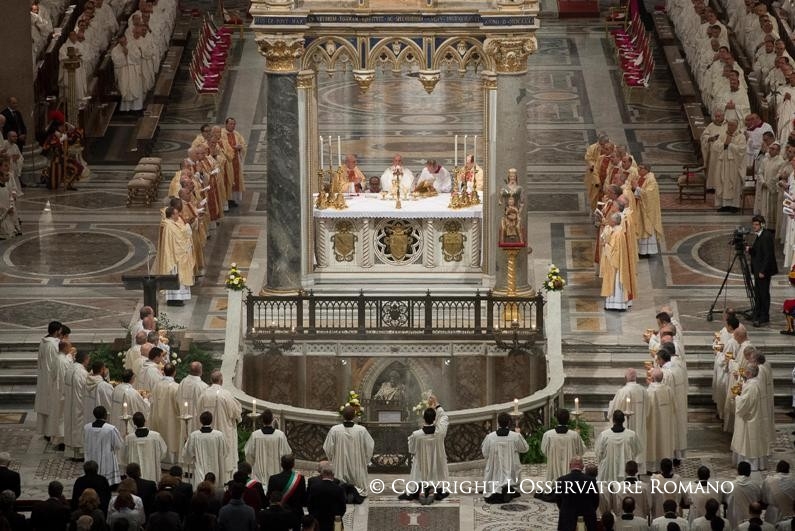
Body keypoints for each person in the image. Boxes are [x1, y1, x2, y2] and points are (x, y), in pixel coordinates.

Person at [402, 395, 450, 501]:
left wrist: (416, 453)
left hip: (421, 463)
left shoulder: (416, 435)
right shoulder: (440, 433)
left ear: (423, 419)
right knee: (434, 472)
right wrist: (437, 404)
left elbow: (412, 450)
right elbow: (444, 417)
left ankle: (422, 490)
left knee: (419, 470)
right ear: (435, 418)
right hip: (435, 462)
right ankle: (432, 490)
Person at [197, 370, 241, 480]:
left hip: (207, 433)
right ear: (221, 381)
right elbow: (235, 412)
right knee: (225, 456)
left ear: (211, 380)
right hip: (224, 431)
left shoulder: (204, 394)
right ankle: (225, 479)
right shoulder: (226, 395)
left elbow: (199, 412)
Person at [322, 405, 374, 496]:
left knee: (339, 484)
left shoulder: (335, 430)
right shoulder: (361, 430)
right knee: (358, 485)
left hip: (340, 465)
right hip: (357, 467)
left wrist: (332, 459)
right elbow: (370, 446)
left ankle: (341, 488)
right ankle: (357, 490)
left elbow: (327, 447)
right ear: (354, 416)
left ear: (342, 416)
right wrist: (365, 460)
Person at [608, 369, 650, 474]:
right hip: (640, 425)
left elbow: (616, 410)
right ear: (636, 377)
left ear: (625, 378)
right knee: (638, 444)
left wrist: (610, 408)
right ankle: (639, 471)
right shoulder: (643, 390)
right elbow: (648, 409)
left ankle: (626, 470)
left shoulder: (623, 391)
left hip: (626, 425)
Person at [482, 412, 529, 503]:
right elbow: (525, 449)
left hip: (495, 469)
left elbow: (485, 453)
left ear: (498, 423)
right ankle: (509, 488)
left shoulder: (490, 437)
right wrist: (519, 434)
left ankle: (497, 489)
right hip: (511, 469)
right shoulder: (515, 436)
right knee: (514, 466)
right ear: (509, 423)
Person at [154, 205, 195, 306]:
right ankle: (174, 299)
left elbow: (180, 234)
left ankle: (177, 298)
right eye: (177, 213)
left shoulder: (171, 223)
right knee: (176, 276)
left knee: (178, 276)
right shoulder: (169, 226)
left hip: (175, 254)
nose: (179, 215)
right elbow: (179, 239)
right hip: (174, 256)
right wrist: (187, 225)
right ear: (172, 215)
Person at [732, 364, 770, 470]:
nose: (744, 372)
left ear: (750, 373)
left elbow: (746, 402)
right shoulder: (754, 382)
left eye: (746, 371)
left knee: (748, 442)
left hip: (749, 418)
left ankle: (750, 464)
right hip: (754, 415)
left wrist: (737, 397)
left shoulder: (752, 386)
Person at [244, 408, 291, 487]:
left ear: (262, 420)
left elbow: (249, 453)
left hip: (259, 474)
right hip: (276, 473)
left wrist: (252, 463)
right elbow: (287, 454)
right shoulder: (280, 435)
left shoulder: (255, 435)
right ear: (272, 420)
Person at [182, 411, 229, 488]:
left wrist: (186, 445)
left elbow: (188, 453)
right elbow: (225, 452)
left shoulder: (194, 435)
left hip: (200, 468)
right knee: (214, 488)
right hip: (215, 467)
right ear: (211, 420)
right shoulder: (219, 435)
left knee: (201, 488)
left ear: (200, 421)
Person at [710, 117, 747, 212]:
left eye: (732, 125)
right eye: (729, 125)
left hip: (734, 164)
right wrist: (723, 145)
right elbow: (715, 146)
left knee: (733, 183)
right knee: (722, 182)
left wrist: (729, 145)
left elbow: (742, 150)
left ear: (736, 126)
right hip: (723, 163)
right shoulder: (723, 134)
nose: (730, 127)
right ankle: (724, 205)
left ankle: (734, 206)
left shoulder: (740, 136)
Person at [595, 410, 641, 483]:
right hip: (626, 470)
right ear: (624, 420)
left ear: (613, 420)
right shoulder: (631, 435)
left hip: (608, 470)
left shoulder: (604, 435)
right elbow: (636, 451)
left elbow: (598, 453)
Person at [748, 215, 778, 326]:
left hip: (762, 271)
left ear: (762, 225)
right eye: (753, 225)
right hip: (758, 270)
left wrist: (762, 271)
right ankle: (758, 313)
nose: (754, 227)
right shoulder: (760, 235)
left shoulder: (765, 236)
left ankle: (764, 316)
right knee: (758, 293)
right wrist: (750, 250)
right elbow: (759, 251)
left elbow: (768, 255)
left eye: (756, 225)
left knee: (764, 293)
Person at [540, 409, 585, 482]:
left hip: (553, 468)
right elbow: (581, 451)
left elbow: (544, 450)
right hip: (569, 473)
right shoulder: (574, 435)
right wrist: (579, 436)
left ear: (556, 419)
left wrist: (553, 456)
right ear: (568, 419)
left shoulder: (548, 435)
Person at [120, 412, 167, 482]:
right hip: (152, 471)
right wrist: (155, 459)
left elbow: (124, 456)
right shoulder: (156, 436)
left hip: (135, 478)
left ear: (134, 423)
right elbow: (164, 451)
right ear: (145, 421)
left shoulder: (129, 438)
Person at [555, 457, 599, 531]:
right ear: (582, 466)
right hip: (587, 519)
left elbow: (559, 501)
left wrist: (566, 510)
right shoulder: (591, 480)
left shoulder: (560, 480)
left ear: (570, 466)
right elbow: (596, 501)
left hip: (567, 518)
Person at [83, 406, 122, 486]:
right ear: (105, 415)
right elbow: (118, 445)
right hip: (106, 458)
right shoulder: (110, 429)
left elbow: (84, 441)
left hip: (91, 455)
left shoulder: (87, 427)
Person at [35, 321, 62, 439]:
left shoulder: (43, 342)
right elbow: (55, 364)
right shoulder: (52, 345)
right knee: (52, 405)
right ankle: (50, 432)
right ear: (57, 331)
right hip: (51, 379)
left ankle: (46, 431)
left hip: (43, 378)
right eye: (60, 331)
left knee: (46, 405)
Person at [601, 212, 632, 311]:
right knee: (615, 283)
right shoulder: (618, 231)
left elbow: (614, 250)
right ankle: (615, 304)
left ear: (614, 222)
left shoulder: (618, 234)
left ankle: (617, 305)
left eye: (610, 220)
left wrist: (605, 245)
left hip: (615, 264)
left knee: (616, 283)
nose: (609, 221)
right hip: (618, 262)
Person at [149, 363, 180, 465]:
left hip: (157, 418)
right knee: (170, 437)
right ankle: (170, 461)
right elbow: (179, 405)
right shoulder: (176, 387)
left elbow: (151, 402)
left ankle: (160, 459)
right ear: (174, 372)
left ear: (164, 372)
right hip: (171, 419)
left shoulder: (156, 386)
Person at [633, 163, 664, 257]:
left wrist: (636, 188)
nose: (638, 170)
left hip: (647, 210)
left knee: (646, 228)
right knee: (640, 227)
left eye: (640, 168)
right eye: (639, 168)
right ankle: (641, 251)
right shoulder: (641, 177)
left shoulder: (651, 180)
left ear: (646, 169)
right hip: (640, 207)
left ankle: (647, 252)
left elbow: (648, 195)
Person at [64, 351, 91, 460]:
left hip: (70, 402)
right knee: (78, 425)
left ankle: (71, 453)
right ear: (84, 359)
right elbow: (87, 388)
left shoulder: (70, 368)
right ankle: (79, 452)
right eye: (88, 358)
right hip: (79, 403)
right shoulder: (82, 372)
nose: (89, 360)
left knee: (71, 425)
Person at [109, 370, 150, 439]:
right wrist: (146, 398)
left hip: (115, 422)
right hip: (126, 426)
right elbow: (143, 407)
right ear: (132, 378)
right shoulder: (131, 393)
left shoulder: (116, 388)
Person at [266, 454, 306, 522]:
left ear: (281, 464)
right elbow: (303, 498)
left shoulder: (273, 479)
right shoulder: (300, 479)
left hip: (278, 514)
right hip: (295, 513)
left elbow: (269, 497)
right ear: (293, 465)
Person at [306, 463, 346, 531]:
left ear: (322, 474)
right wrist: (337, 517)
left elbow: (309, 505)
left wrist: (314, 516)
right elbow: (343, 507)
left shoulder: (314, 487)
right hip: (333, 521)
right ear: (333, 475)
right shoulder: (339, 489)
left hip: (318, 521)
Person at [111, 36, 144, 112]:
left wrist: (128, 53)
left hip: (133, 71)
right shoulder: (115, 50)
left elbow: (138, 57)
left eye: (124, 42)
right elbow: (116, 62)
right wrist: (124, 55)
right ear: (119, 42)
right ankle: (125, 109)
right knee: (125, 88)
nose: (123, 44)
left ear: (126, 40)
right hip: (123, 73)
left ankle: (136, 108)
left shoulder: (133, 46)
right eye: (121, 43)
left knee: (135, 87)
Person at [177, 362, 207, 443]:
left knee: (185, 439)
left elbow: (178, 399)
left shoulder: (183, 382)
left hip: (184, 416)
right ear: (200, 371)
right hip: (197, 420)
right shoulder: (203, 386)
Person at [727, 461, 763, 529]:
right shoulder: (755, 486)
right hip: (751, 518)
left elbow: (725, 501)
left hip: (735, 518)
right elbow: (759, 500)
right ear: (749, 472)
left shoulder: (729, 485)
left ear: (738, 471)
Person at [220, 117, 246, 207]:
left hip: (236, 161)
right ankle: (227, 200)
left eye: (234, 124)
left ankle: (234, 199)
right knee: (228, 179)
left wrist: (240, 147)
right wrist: (232, 148)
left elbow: (243, 144)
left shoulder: (236, 134)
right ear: (226, 124)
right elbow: (222, 147)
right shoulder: (221, 134)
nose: (232, 126)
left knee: (236, 179)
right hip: (227, 162)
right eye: (231, 124)